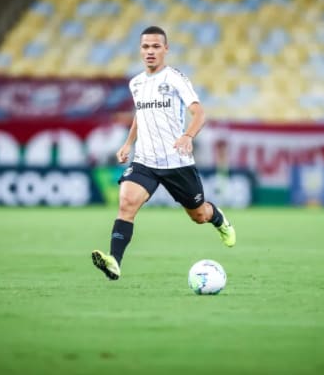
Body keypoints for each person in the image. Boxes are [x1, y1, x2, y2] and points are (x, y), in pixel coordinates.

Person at [91, 25, 236, 280]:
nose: (150, 51)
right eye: (146, 46)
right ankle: (115, 261)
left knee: (199, 215)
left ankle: (219, 219)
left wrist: (188, 136)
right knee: (126, 204)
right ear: (140, 50)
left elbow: (199, 113)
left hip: (176, 161)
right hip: (145, 160)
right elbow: (141, 115)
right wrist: (128, 143)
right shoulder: (135, 83)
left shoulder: (175, 78)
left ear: (165, 50)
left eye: (156, 46)